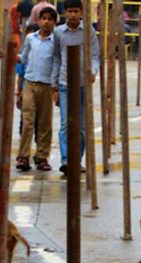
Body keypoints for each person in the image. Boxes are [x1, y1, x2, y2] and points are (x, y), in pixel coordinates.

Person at [51, 0, 100, 174]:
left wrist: (92, 72)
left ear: (81, 13)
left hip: (82, 85)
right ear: (65, 13)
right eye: (69, 11)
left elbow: (95, 56)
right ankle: (66, 160)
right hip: (65, 84)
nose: (72, 14)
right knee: (65, 124)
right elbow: (56, 58)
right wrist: (54, 87)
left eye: (76, 11)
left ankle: (77, 159)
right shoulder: (58, 33)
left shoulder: (89, 32)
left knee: (81, 126)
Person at [17, 7, 56, 172]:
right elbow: (23, 59)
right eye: (43, 18)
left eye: (49, 19)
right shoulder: (30, 38)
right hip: (30, 84)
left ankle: (42, 156)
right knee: (27, 122)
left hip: (47, 85)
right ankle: (23, 156)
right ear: (38, 21)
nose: (46, 21)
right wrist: (11, 55)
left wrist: (56, 88)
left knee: (45, 123)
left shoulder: (56, 41)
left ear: (54, 22)